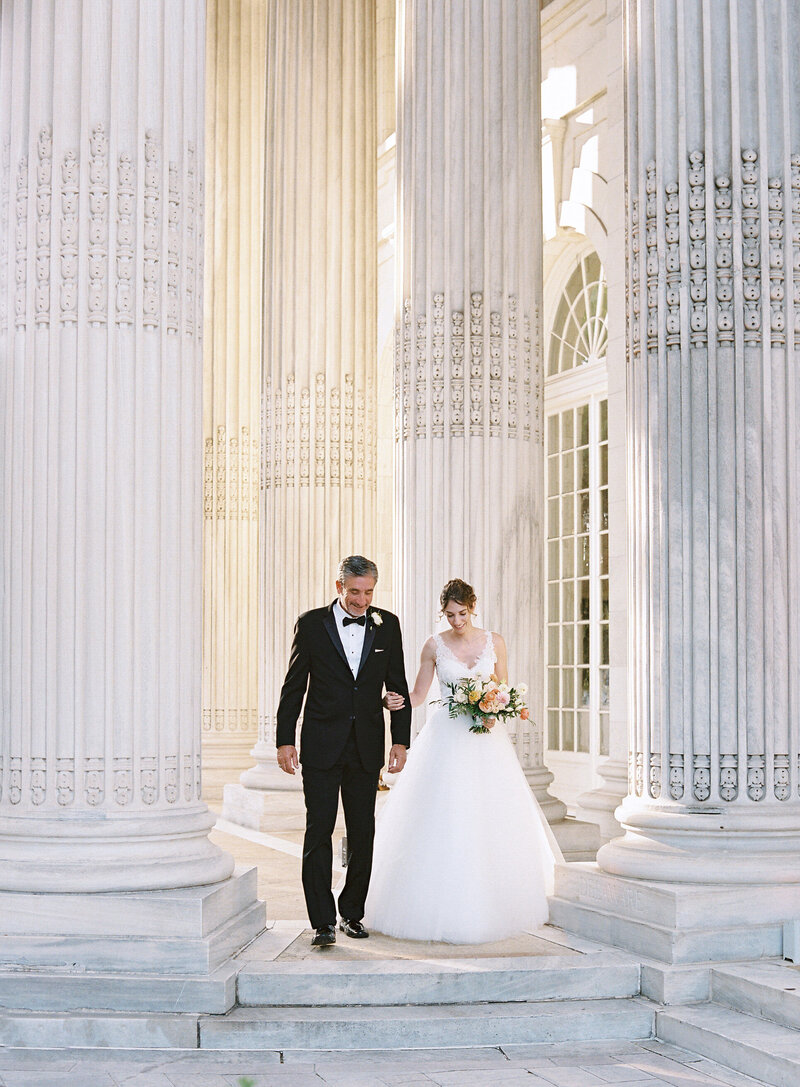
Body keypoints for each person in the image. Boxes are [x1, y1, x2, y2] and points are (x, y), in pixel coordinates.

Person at [366, 578, 559, 944]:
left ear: (473, 607)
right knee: (446, 812)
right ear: (444, 612)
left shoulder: (494, 641)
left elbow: (502, 687)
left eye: (462, 613)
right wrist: (395, 701)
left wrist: (494, 710)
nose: (456, 620)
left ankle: (496, 900)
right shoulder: (434, 645)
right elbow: (419, 694)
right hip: (447, 736)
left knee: (490, 813)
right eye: (450, 614)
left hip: (486, 740)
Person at [276, 556, 412, 947]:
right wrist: (285, 738)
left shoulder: (389, 624)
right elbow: (293, 686)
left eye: (369, 592)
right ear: (339, 588)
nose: (362, 600)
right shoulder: (312, 624)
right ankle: (322, 921)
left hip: (366, 746)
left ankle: (352, 912)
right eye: (354, 592)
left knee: (363, 831)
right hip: (320, 745)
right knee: (319, 830)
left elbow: (398, 684)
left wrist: (400, 741)